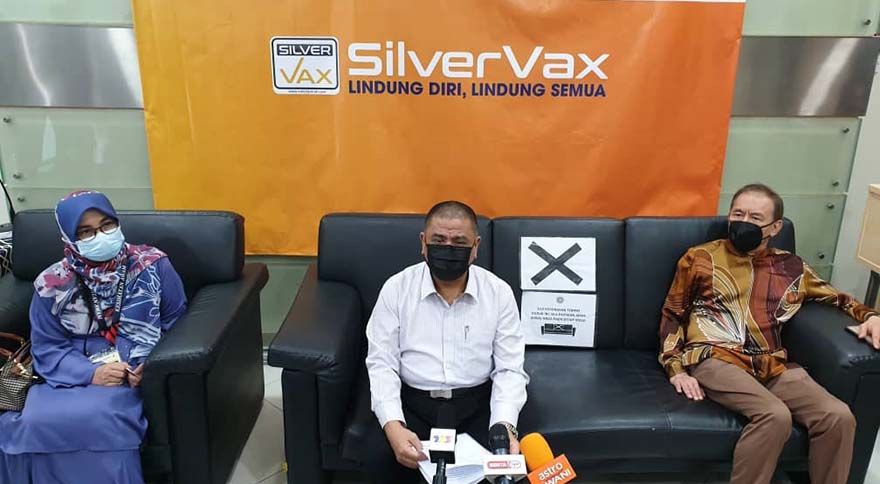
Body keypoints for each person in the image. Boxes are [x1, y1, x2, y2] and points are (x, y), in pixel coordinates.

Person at [658, 183, 880, 484]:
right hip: (715, 356)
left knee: (838, 417)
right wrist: (676, 369)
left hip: (771, 362)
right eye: (738, 214)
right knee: (774, 415)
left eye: (755, 217)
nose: (744, 222)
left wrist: (872, 316)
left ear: (775, 227)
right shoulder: (700, 257)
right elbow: (673, 315)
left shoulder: (791, 267)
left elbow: (839, 299)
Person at [0, 190, 188, 484]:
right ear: (69, 238)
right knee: (36, 420)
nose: (100, 236)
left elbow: (177, 322)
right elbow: (47, 346)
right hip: (72, 373)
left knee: (103, 415)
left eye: (106, 225)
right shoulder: (51, 283)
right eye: (85, 232)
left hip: (132, 371)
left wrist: (151, 364)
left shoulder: (153, 265)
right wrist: (91, 373)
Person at [363, 200, 529, 483]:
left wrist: (504, 426)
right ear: (423, 243)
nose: (448, 249)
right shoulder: (396, 289)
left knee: (504, 472)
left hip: (477, 405)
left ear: (475, 247)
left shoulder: (498, 293)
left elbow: (509, 369)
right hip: (413, 403)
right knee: (379, 459)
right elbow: (381, 363)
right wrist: (393, 425)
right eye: (439, 240)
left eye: (459, 242)